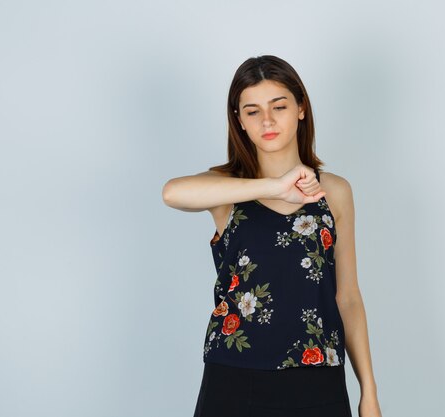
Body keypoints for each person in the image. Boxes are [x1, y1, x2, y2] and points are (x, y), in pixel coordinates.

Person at [162, 55, 382, 417]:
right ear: (239, 120)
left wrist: (368, 391)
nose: (267, 120)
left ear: (300, 108)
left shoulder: (335, 191)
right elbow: (172, 193)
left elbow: (349, 298)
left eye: (278, 106)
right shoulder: (226, 189)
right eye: (252, 111)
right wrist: (275, 186)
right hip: (234, 378)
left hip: (318, 377)